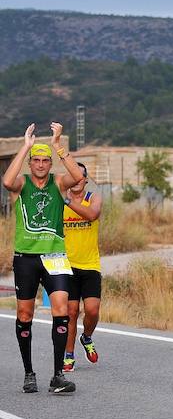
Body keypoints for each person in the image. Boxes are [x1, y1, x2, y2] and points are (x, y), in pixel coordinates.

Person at [2, 122, 88, 394]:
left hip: (55, 256)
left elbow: (77, 176)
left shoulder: (58, 183)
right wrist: (25, 146)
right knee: (25, 313)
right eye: (35, 160)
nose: (40, 164)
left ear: (50, 164)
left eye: (44, 160)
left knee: (61, 308)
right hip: (26, 258)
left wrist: (58, 146)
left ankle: (58, 375)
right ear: (30, 164)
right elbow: (6, 181)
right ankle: (29, 373)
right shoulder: (21, 184)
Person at [61, 162, 103, 372]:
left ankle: (86, 337)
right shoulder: (58, 205)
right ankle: (68, 355)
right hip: (67, 266)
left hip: (90, 265)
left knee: (93, 311)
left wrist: (66, 200)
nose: (76, 179)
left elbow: (92, 215)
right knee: (71, 312)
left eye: (80, 176)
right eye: (72, 175)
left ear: (85, 179)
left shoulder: (93, 198)